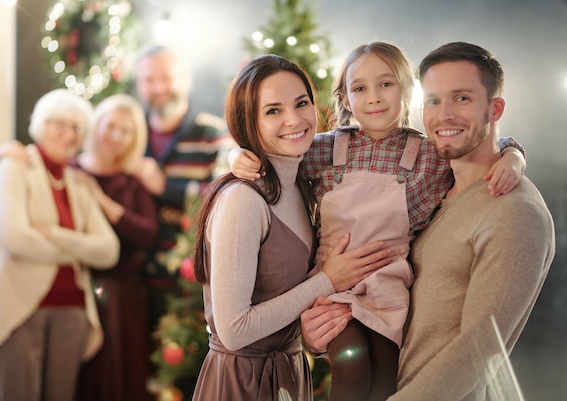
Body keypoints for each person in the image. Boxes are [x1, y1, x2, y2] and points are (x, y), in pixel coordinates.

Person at [230, 42, 526, 400]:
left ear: (407, 89)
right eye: (359, 88)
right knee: (351, 365)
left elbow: (478, 141)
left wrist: (512, 156)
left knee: (386, 374)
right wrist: (236, 155)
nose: (374, 98)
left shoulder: (428, 154)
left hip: (388, 288)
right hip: (334, 287)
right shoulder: (325, 148)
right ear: (344, 98)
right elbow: (275, 154)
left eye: (386, 84)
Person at [191, 54, 398, 401]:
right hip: (242, 383)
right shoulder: (243, 200)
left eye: (302, 103)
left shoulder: (305, 180)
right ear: (249, 122)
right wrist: (329, 280)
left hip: (288, 374)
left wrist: (510, 151)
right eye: (273, 110)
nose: (294, 119)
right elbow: (234, 330)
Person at [385, 41, 555, 401]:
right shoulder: (435, 187)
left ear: (494, 109)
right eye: (432, 100)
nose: (443, 115)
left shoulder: (513, 212)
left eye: (461, 98)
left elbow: (477, 350)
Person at [0, 89, 120, 401]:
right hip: (19, 309)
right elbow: (15, 239)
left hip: (73, 311)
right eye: (59, 124)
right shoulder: (13, 166)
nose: (68, 135)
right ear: (39, 124)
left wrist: (56, 234)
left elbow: (108, 250)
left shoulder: (77, 180)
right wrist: (79, 248)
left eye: (77, 128)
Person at [132, 45, 235, 333]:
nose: (158, 87)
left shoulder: (214, 135)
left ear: (186, 79)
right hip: (136, 284)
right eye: (149, 80)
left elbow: (226, 199)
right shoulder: (128, 134)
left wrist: (165, 187)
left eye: (166, 77)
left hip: (192, 292)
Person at [73, 94, 159, 401]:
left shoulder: (132, 180)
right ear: (97, 126)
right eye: (111, 126)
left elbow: (147, 233)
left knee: (119, 380)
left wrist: (102, 201)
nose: (116, 137)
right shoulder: (72, 169)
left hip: (123, 296)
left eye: (126, 131)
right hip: (77, 289)